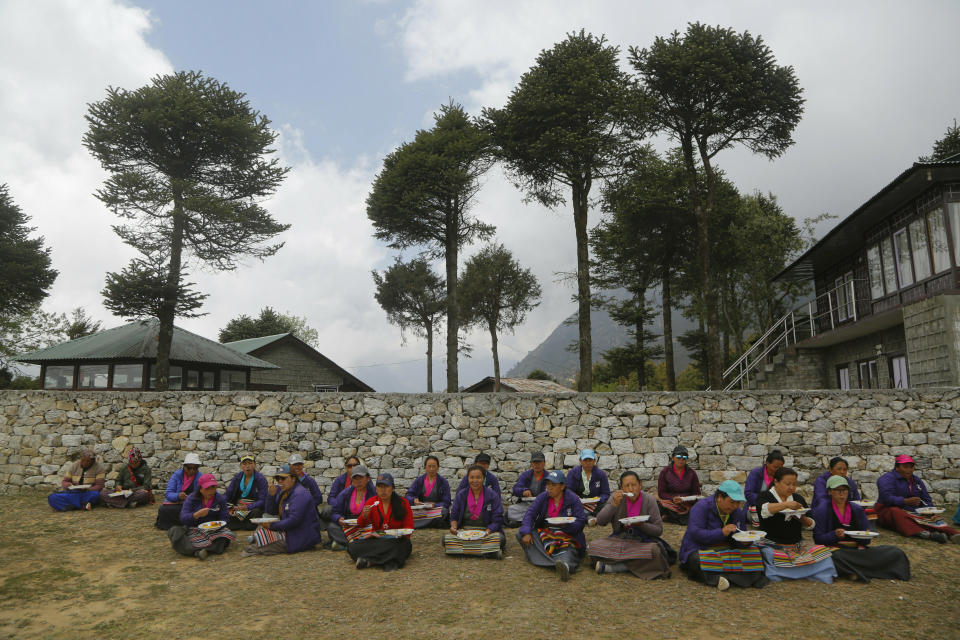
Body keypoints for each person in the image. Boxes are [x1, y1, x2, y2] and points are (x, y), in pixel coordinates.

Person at [812, 475, 910, 582]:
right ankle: (855, 571)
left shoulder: (857, 509)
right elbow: (818, 539)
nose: (842, 493)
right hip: (836, 550)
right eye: (837, 490)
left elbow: (866, 540)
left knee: (895, 552)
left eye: (844, 490)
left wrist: (864, 535)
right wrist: (834, 535)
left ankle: (852, 571)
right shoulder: (822, 510)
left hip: (858, 551)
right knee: (834, 558)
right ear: (829, 492)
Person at [679, 480, 767, 590]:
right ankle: (732, 578)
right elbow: (695, 533)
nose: (735, 506)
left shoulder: (737, 513)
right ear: (720, 497)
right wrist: (721, 532)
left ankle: (721, 578)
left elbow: (741, 535)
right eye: (732, 502)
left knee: (756, 554)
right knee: (696, 560)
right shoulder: (701, 507)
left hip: (727, 550)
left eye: (738, 502)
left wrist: (745, 542)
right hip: (702, 549)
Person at [756, 466, 837, 583]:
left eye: (794, 484)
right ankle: (796, 571)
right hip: (772, 544)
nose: (792, 487)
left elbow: (811, 524)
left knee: (823, 552)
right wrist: (786, 505)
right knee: (769, 555)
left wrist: (801, 518)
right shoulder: (765, 496)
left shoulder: (798, 499)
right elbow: (764, 509)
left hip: (796, 545)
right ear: (776, 482)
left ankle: (792, 571)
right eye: (788, 484)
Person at [589, 471, 674, 579]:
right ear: (622, 488)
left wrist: (641, 525)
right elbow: (601, 521)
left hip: (642, 542)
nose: (630, 489)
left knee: (654, 551)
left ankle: (617, 567)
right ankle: (633, 564)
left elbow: (658, 530)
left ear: (640, 485)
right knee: (593, 547)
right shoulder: (616, 498)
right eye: (626, 486)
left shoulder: (649, 499)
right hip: (620, 540)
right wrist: (613, 505)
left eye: (633, 485)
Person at [518, 470, 587, 581]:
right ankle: (557, 562)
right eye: (548, 484)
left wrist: (566, 526)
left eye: (553, 485)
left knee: (569, 549)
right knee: (522, 534)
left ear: (562, 486)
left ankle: (565, 566)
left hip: (567, 536)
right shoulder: (543, 497)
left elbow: (581, 521)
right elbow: (530, 514)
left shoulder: (572, 499)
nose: (549, 488)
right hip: (547, 535)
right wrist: (526, 531)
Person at [875, 454, 960, 543]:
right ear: (897, 468)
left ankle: (952, 534)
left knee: (931, 517)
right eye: (905, 467)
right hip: (887, 510)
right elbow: (886, 498)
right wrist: (905, 501)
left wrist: (929, 509)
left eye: (911, 467)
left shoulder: (916, 480)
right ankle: (924, 533)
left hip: (913, 511)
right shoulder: (886, 479)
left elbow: (926, 498)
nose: (909, 470)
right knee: (896, 512)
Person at [243, 464, 322, 556]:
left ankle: (258, 543)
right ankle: (258, 540)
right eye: (278, 479)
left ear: (293, 478)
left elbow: (293, 521)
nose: (280, 481)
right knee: (262, 526)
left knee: (253, 548)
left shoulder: (300, 494)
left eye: (283, 478)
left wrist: (272, 526)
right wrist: (271, 496)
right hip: (290, 531)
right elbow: (271, 511)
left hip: (300, 535)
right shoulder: (284, 492)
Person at [349, 473, 415, 571]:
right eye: (380, 487)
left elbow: (409, 530)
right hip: (378, 541)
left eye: (386, 487)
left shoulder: (403, 503)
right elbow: (361, 525)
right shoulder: (372, 502)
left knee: (400, 547)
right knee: (352, 547)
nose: (383, 490)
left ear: (392, 488)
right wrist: (364, 515)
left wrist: (386, 534)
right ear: (376, 489)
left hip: (397, 541)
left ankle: (371, 561)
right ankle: (387, 561)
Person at [444, 464, 506, 559]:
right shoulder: (461, 495)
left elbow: (497, 519)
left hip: (486, 532)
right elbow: (454, 515)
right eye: (472, 477)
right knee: (445, 540)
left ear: (483, 479)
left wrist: (487, 532)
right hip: (465, 532)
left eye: (478, 477)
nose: (475, 481)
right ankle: (487, 552)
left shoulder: (492, 495)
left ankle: (462, 551)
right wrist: (454, 527)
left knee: (500, 539)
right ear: (468, 479)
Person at [167, 473, 235, 560]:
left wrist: (217, 525)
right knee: (174, 531)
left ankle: (198, 550)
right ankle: (199, 551)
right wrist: (196, 515)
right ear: (201, 489)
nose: (211, 491)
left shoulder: (220, 499)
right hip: (192, 530)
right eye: (207, 488)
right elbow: (183, 518)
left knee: (226, 534)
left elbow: (225, 518)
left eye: (213, 487)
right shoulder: (191, 498)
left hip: (213, 531)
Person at [328, 464, 377, 550]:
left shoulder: (374, 494)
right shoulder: (345, 494)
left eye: (361, 478)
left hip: (366, 526)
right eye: (355, 478)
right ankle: (358, 543)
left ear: (368, 478)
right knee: (332, 527)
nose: (358, 481)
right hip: (349, 527)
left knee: (375, 530)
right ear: (352, 480)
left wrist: (367, 515)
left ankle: (347, 544)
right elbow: (335, 512)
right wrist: (339, 518)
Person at [656, 446, 703, 525]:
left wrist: (685, 500)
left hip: (686, 504)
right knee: (659, 505)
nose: (681, 459)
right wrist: (673, 498)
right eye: (678, 456)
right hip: (671, 503)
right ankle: (673, 516)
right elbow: (661, 493)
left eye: (684, 457)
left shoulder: (691, 473)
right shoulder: (665, 472)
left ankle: (671, 518)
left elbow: (697, 494)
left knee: (698, 512)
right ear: (673, 457)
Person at [155, 453, 201, 530]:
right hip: (177, 503)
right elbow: (168, 493)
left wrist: (191, 498)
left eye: (195, 468)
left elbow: (201, 494)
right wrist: (178, 496)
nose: (192, 470)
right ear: (184, 467)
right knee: (163, 509)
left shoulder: (200, 477)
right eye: (189, 468)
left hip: (192, 504)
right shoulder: (177, 475)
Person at [319, 456, 366, 530]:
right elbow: (331, 498)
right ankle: (325, 530)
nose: (353, 468)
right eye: (350, 466)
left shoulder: (365, 480)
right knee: (327, 509)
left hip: (359, 508)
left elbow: (372, 497)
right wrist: (339, 505)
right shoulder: (339, 480)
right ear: (346, 468)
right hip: (341, 507)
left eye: (355, 465)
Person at [404, 456, 451, 529]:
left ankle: (417, 524)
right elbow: (408, 495)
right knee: (407, 512)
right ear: (425, 467)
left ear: (438, 467)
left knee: (444, 511)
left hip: (435, 509)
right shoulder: (419, 481)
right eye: (429, 466)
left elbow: (447, 502)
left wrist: (435, 505)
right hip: (421, 509)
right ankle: (432, 523)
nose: (431, 469)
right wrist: (414, 500)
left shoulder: (443, 482)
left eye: (434, 466)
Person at [564, 449, 611, 522]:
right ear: (580, 460)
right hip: (579, 503)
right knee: (570, 506)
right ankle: (592, 517)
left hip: (596, 504)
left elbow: (606, 493)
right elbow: (568, 490)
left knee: (609, 504)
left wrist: (598, 499)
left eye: (590, 460)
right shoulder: (573, 473)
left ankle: (588, 516)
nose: (588, 463)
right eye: (585, 460)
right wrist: (576, 497)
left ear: (594, 461)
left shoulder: (601, 474)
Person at [224, 454, 269, 530]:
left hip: (252, 508)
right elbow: (229, 493)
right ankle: (244, 525)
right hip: (238, 507)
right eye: (244, 464)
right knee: (225, 513)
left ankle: (240, 525)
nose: (247, 466)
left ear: (254, 465)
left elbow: (262, 500)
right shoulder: (237, 478)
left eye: (250, 463)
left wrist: (248, 507)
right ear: (241, 466)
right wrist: (225, 505)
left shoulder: (260, 479)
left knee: (256, 512)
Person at [506, 452, 548, 527]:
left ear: (544, 463)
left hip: (543, 505)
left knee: (546, 512)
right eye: (535, 462)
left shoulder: (549, 477)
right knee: (511, 509)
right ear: (531, 464)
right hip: (527, 504)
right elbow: (516, 489)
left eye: (539, 462)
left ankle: (521, 521)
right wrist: (524, 491)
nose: (537, 465)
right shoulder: (526, 475)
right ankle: (534, 521)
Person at [744, 450, 785, 525]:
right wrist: (765, 503)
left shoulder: (780, 477)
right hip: (755, 508)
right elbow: (748, 493)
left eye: (780, 468)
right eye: (775, 467)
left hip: (774, 509)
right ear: (767, 463)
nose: (777, 470)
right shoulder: (756, 473)